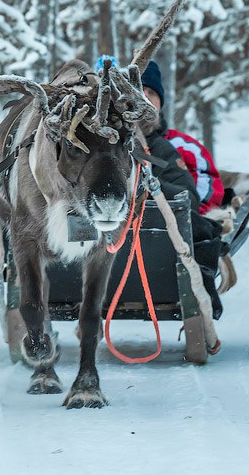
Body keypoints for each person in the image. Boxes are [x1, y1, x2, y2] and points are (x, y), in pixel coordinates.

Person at [95, 56, 225, 319]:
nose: (142, 97)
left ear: (160, 102)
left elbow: (186, 196)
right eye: (135, 90)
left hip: (155, 246)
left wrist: (144, 182)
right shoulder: (94, 145)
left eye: (150, 92)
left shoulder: (162, 150)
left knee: (200, 227)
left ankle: (203, 288)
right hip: (100, 241)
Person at [139, 61, 225, 215]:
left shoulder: (183, 146)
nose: (145, 95)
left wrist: (195, 220)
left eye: (151, 92)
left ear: (160, 101)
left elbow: (205, 192)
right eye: (139, 90)